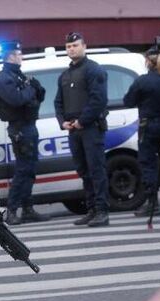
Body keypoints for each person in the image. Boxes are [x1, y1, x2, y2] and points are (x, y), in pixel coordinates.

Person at [54, 32, 110, 227]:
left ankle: (102, 211)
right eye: (68, 46)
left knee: (96, 169)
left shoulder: (94, 70)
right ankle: (92, 209)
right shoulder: (65, 75)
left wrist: (82, 121)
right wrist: (63, 122)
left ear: (84, 46)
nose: (71, 49)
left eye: (75, 45)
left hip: (90, 128)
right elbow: (58, 102)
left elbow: (98, 100)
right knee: (83, 170)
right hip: (74, 130)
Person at [0, 41, 50, 225]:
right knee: (23, 169)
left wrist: (35, 88)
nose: (21, 57)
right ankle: (12, 210)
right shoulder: (4, 78)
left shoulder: (18, 76)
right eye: (18, 54)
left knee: (30, 169)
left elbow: (37, 96)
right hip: (19, 128)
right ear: (11, 56)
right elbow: (16, 99)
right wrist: (30, 88)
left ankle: (27, 208)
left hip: (28, 126)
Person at [123, 48, 160, 217]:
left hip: (149, 126)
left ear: (148, 61)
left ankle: (152, 202)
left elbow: (128, 101)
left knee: (148, 164)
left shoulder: (142, 81)